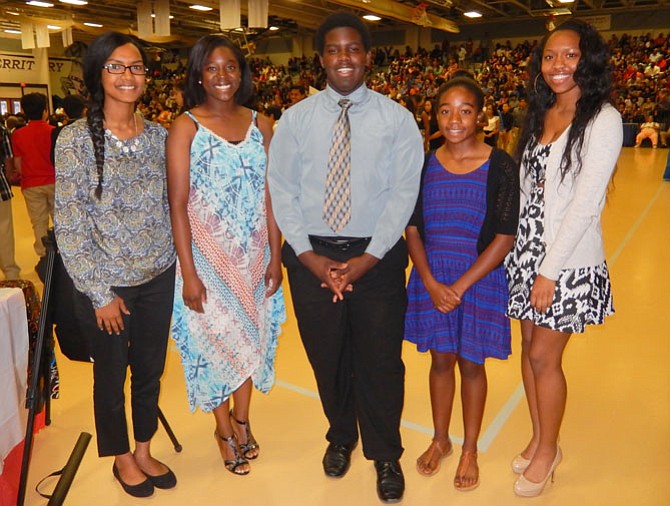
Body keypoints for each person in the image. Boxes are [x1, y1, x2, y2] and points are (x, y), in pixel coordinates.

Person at [268, 12, 424, 503]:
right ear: (321, 59)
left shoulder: (396, 119)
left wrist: (371, 257)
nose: (343, 58)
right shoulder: (295, 120)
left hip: (375, 258)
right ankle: (340, 436)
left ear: (369, 56)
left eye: (353, 49)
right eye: (334, 50)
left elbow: (403, 194)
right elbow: (283, 191)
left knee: (380, 361)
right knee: (327, 356)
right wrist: (309, 257)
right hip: (311, 254)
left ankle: (386, 454)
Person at [54, 32, 177, 498]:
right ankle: (121, 456)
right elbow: (68, 227)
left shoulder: (160, 137)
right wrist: (100, 294)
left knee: (149, 370)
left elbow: (172, 208)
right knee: (110, 377)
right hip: (105, 287)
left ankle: (143, 448)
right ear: (98, 74)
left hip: (158, 278)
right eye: (117, 67)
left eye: (137, 67)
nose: (129, 76)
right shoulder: (75, 141)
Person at [506, 19, 621, 497]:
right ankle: (538, 437)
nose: (558, 65)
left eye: (569, 55)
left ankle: (550, 451)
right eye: (550, 56)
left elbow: (586, 201)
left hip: (566, 260)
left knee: (542, 357)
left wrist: (549, 270)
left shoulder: (603, 118)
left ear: (587, 60)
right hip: (526, 249)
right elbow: (527, 189)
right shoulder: (541, 112)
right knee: (529, 359)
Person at [166, 35, 285, 476]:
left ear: (242, 73)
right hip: (206, 262)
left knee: (251, 340)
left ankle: (242, 419)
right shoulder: (185, 126)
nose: (222, 76)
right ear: (199, 74)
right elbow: (177, 203)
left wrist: (276, 256)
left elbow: (274, 197)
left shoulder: (263, 124)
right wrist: (190, 274)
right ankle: (222, 430)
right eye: (212, 68)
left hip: (254, 259)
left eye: (230, 67)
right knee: (213, 344)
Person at [405, 77, 519, 491]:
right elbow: (413, 228)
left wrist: (461, 286)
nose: (455, 119)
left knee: (472, 363)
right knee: (440, 361)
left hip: (479, 279)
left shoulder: (501, 164)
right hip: (432, 278)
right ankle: (441, 439)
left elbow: (505, 236)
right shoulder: (424, 163)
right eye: (446, 110)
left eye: (465, 110)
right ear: (435, 116)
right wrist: (433, 283)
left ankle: (469, 447)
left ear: (481, 116)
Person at [11, 93, 55, 272]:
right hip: (54, 181)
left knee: (38, 221)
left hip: (31, 184)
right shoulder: (53, 131)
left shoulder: (18, 134)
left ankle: (45, 255)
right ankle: (63, 252)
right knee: (60, 218)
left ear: (24, 111)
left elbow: (18, 164)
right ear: (45, 110)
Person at [0, 121, 20, 279]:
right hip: (0, 188)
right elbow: (8, 159)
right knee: (4, 230)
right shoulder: (1, 130)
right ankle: (10, 273)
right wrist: (8, 176)